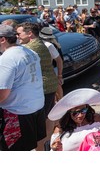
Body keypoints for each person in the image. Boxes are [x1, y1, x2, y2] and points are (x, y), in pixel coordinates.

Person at [0, 25, 46, 151]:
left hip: (17, 112)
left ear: (2, 39)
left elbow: (2, 93)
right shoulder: (29, 51)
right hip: (35, 106)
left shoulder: (7, 58)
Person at [16, 22, 59, 151]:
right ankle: (47, 141)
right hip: (49, 84)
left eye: (19, 33)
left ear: (30, 33)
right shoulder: (41, 43)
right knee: (49, 115)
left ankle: (44, 145)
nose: (17, 36)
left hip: (44, 87)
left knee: (42, 121)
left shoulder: (31, 48)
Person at [39, 27, 64, 102]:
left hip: (50, 70)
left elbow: (59, 60)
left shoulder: (48, 45)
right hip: (51, 69)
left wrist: (59, 75)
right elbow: (59, 60)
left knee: (56, 88)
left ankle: (60, 103)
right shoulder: (52, 43)